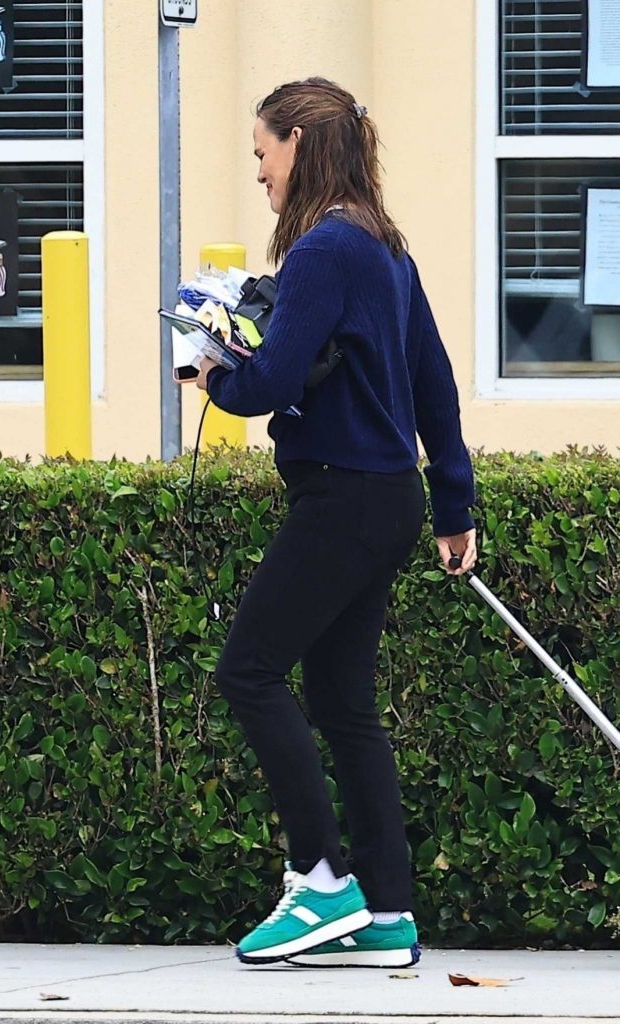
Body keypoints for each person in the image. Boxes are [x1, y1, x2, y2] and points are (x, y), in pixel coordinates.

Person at [196, 77, 477, 968]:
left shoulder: (322, 252)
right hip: (387, 500)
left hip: (342, 496)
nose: (259, 174)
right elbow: (433, 380)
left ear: (299, 146)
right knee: (343, 703)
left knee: (248, 671)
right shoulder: (385, 248)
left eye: (262, 153)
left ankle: (322, 880)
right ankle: (388, 911)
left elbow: (273, 381)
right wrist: (454, 504)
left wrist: (215, 376)